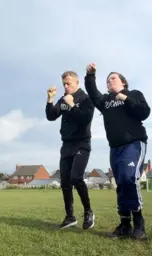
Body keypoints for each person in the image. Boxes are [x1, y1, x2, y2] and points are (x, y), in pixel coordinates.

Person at [84, 63, 150, 240]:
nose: (109, 81)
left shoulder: (133, 94)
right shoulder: (105, 101)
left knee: (129, 178)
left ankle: (139, 223)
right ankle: (124, 224)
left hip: (134, 143)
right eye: (107, 80)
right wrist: (91, 76)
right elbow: (93, 93)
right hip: (115, 148)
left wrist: (126, 99)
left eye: (113, 78)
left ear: (123, 82)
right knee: (120, 184)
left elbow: (144, 112)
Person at [45, 71, 95, 230]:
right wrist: (51, 99)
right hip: (66, 145)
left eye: (68, 83)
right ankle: (70, 216)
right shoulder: (63, 99)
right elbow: (51, 116)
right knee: (65, 181)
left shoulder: (86, 98)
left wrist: (72, 104)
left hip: (82, 144)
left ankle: (88, 212)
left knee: (76, 177)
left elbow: (85, 118)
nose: (66, 86)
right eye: (64, 84)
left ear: (77, 83)